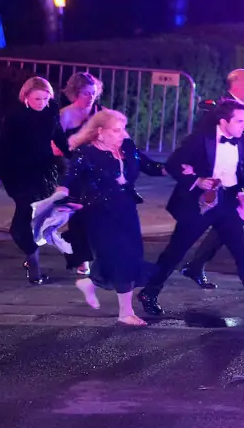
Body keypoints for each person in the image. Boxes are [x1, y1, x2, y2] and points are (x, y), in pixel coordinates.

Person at [138, 100, 244, 320]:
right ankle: (149, 292)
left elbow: (238, 174)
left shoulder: (243, 142)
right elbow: (172, 165)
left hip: (226, 202)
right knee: (176, 251)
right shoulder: (200, 139)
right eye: (239, 121)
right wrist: (197, 180)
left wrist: (241, 193)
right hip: (198, 204)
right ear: (223, 121)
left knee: (243, 253)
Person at [180, 69, 244, 293]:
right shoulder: (220, 113)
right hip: (239, 182)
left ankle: (195, 266)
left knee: (229, 226)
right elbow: (203, 145)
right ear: (234, 87)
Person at [57, 109, 165, 326]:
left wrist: (178, 169)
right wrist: (61, 197)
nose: (122, 134)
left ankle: (91, 283)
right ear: (100, 131)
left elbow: (151, 167)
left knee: (131, 255)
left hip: (125, 208)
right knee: (120, 258)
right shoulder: (87, 152)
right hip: (99, 211)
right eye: (116, 130)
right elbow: (70, 178)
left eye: (123, 129)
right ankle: (125, 313)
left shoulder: (127, 147)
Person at [0, 77, 71, 284]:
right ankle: (32, 256)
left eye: (45, 98)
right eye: (37, 99)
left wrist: (72, 154)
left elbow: (58, 135)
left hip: (42, 170)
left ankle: (31, 253)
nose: (41, 103)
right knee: (24, 211)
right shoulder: (15, 116)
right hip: (17, 171)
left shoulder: (51, 111)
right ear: (26, 97)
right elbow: (1, 146)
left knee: (34, 213)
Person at [55, 72, 104, 276]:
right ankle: (82, 259)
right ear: (75, 93)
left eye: (93, 93)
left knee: (93, 216)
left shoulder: (100, 113)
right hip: (72, 170)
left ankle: (80, 251)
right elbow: (56, 146)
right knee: (77, 215)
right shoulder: (64, 115)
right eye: (85, 93)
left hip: (95, 171)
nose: (90, 97)